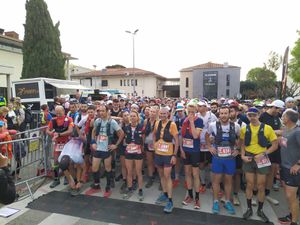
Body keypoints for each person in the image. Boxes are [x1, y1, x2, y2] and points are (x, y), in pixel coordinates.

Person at [240, 107, 278, 223]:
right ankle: (249, 208)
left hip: (262, 157)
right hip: (249, 157)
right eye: (249, 115)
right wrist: (242, 155)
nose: (252, 117)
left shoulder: (267, 128)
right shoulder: (244, 129)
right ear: (247, 116)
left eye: (254, 115)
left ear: (258, 115)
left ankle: (260, 210)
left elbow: (275, 145)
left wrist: (264, 153)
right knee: (250, 184)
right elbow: (241, 143)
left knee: (261, 185)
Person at [206, 106, 240, 215]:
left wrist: (238, 149)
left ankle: (227, 201)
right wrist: (209, 147)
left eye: (226, 113)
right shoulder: (212, 125)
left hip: (230, 158)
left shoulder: (236, 126)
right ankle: (216, 201)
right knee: (216, 180)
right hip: (217, 157)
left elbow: (240, 138)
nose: (224, 115)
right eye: (222, 113)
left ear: (229, 114)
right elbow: (207, 135)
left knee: (229, 180)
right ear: (219, 114)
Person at [87, 105, 124, 198]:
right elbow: (94, 131)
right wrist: (93, 142)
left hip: (107, 149)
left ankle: (108, 188)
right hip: (98, 148)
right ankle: (96, 186)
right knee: (94, 168)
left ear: (107, 111)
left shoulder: (112, 122)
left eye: (103, 111)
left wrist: (115, 145)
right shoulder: (97, 121)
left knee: (108, 168)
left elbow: (121, 134)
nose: (101, 113)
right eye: (100, 111)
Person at [153, 106, 179, 213]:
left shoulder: (172, 124)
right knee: (161, 175)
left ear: (168, 114)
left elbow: (177, 141)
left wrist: (174, 155)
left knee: (167, 176)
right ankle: (164, 194)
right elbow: (155, 134)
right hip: (158, 153)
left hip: (168, 154)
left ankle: (170, 200)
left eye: (164, 114)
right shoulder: (157, 123)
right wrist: (154, 144)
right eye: (161, 113)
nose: (162, 115)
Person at [277, 109, 300, 225]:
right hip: (284, 166)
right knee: (288, 195)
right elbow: (285, 143)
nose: (282, 117)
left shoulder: (297, 132)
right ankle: (291, 215)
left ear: (289, 119)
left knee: (291, 196)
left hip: (293, 169)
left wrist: (298, 164)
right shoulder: (286, 130)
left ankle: (294, 222)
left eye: (284, 116)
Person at [260, 99, 284, 204]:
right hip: (264, 148)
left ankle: (267, 193)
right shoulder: (263, 117)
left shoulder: (277, 118)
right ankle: (258, 192)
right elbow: (259, 131)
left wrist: (279, 132)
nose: (279, 112)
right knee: (262, 170)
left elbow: (282, 130)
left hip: (275, 148)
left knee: (272, 170)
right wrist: (275, 132)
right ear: (274, 107)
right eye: (278, 110)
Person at [181, 103, 203, 209]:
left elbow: (195, 135)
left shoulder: (199, 120)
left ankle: (197, 198)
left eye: (192, 112)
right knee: (187, 173)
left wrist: (191, 122)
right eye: (189, 111)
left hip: (194, 151)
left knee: (195, 174)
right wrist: (181, 149)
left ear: (196, 111)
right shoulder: (183, 121)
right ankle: (189, 195)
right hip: (186, 150)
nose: (190, 114)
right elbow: (182, 136)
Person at [46, 106, 74, 188]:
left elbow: (70, 131)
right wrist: (51, 133)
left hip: (66, 143)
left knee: (66, 161)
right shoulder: (53, 120)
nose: (58, 114)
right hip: (57, 144)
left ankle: (66, 177)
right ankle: (56, 179)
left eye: (60, 112)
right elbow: (47, 130)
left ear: (63, 111)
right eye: (56, 112)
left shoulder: (69, 119)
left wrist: (59, 134)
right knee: (55, 162)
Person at [122, 110, 144, 200]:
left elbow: (143, 140)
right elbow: (124, 139)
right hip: (129, 152)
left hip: (138, 152)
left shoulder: (141, 127)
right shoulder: (126, 128)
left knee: (138, 172)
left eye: (134, 116)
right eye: (131, 116)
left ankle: (140, 190)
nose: (132, 118)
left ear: (137, 117)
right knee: (129, 171)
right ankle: (130, 188)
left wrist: (142, 150)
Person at [144, 107, 158, 188]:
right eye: (151, 111)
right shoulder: (146, 121)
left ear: (156, 113)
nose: (152, 113)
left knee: (158, 162)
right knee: (149, 161)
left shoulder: (159, 122)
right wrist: (142, 143)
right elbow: (143, 133)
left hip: (156, 144)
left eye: (154, 112)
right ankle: (150, 177)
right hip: (148, 143)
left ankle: (161, 179)